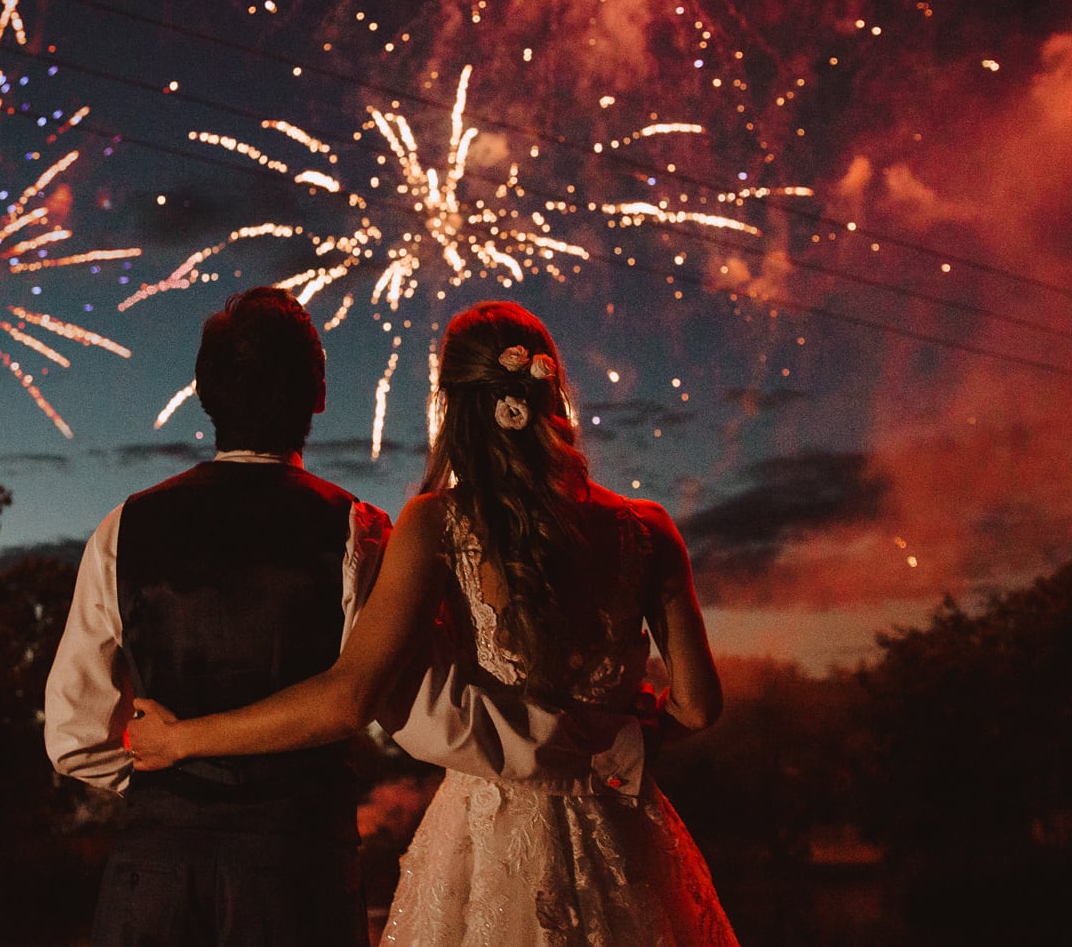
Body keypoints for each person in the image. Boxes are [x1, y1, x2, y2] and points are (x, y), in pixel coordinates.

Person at [127, 300, 740, 946]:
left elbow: (350, 696)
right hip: (621, 830)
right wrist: (610, 744)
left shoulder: (435, 524)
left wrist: (182, 739)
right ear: (553, 389)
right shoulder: (647, 532)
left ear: (451, 402)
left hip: (489, 835)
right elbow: (698, 707)